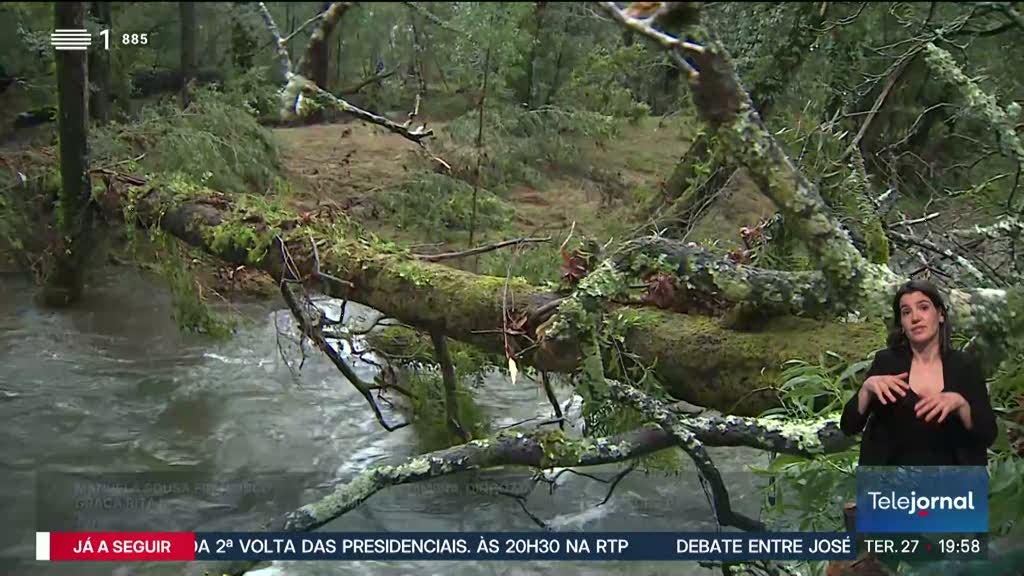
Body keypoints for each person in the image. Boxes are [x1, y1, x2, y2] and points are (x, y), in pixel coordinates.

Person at [840, 279, 998, 466]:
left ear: (940, 315)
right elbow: (849, 426)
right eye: (906, 312)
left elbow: (988, 434)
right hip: (890, 479)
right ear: (902, 323)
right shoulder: (887, 362)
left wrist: (962, 406)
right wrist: (866, 390)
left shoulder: (964, 366)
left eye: (923, 308)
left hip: (953, 480)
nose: (915, 317)